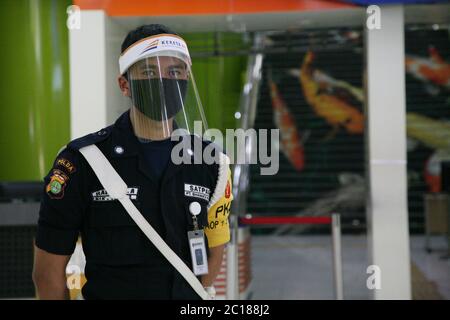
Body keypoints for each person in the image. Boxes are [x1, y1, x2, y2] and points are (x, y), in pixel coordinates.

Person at [32, 24, 233, 300]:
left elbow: (212, 257)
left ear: (187, 78)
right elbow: (47, 274)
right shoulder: (81, 163)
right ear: (125, 84)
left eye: (175, 71)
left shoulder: (212, 163)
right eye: (149, 72)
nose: (164, 81)